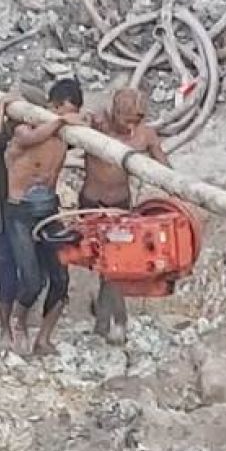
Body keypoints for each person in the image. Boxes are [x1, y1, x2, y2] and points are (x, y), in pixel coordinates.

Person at [80, 88, 169, 344]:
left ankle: (110, 321)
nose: (130, 128)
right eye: (126, 120)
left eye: (136, 121)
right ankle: (110, 319)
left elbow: (165, 168)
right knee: (103, 264)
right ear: (114, 111)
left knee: (116, 264)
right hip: (92, 204)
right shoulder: (98, 126)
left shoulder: (145, 134)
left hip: (121, 205)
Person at [5, 77, 86, 354]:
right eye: (63, 109)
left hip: (49, 209)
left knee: (61, 280)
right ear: (53, 106)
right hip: (21, 212)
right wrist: (60, 121)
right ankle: (17, 323)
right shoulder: (25, 128)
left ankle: (44, 338)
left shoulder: (67, 136)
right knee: (31, 280)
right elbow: (29, 138)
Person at [0, 86, 48, 348]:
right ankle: (5, 328)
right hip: (1, 214)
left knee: (34, 275)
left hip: (29, 215)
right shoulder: (2, 142)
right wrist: (3, 103)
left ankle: (20, 321)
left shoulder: (37, 139)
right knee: (5, 275)